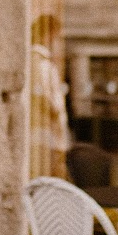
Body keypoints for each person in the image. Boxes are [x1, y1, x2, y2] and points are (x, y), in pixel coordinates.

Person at [30, 13, 70, 178]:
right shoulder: (38, 63)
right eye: (57, 38)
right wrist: (53, 114)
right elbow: (40, 97)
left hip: (47, 138)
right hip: (46, 139)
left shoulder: (40, 62)